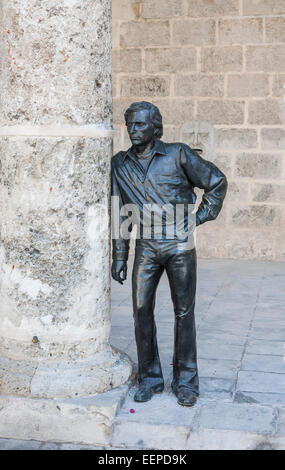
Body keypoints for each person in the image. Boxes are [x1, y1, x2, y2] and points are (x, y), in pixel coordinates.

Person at [111, 101, 227, 407]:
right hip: (146, 245)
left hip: (178, 245)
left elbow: (216, 181)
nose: (133, 130)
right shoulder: (119, 164)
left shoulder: (178, 153)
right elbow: (120, 212)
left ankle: (186, 380)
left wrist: (199, 217)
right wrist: (120, 256)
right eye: (130, 125)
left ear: (155, 127)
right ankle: (150, 377)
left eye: (140, 125)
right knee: (140, 310)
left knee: (183, 312)